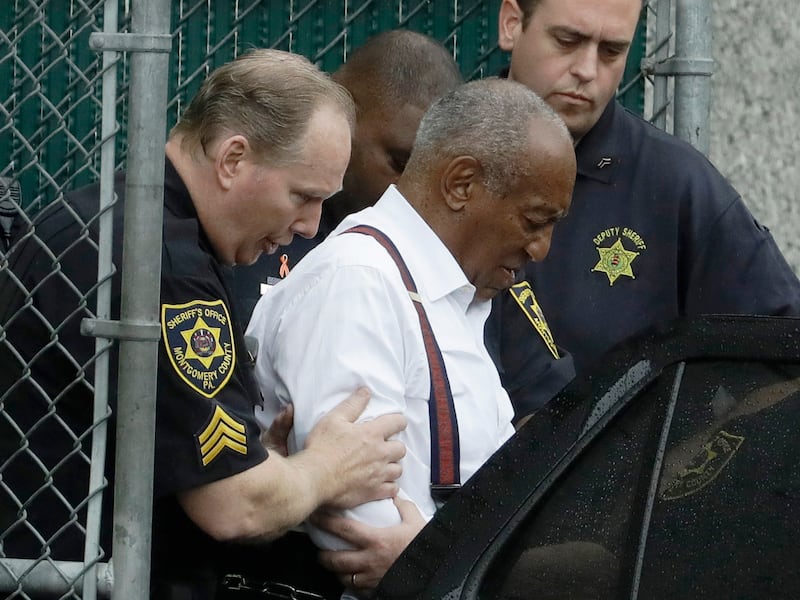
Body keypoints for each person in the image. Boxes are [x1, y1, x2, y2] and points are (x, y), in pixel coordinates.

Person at [0, 49, 407, 598]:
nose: (311, 226)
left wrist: (267, 467)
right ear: (233, 159)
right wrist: (329, 467)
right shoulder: (161, 263)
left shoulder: (109, 214)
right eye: (303, 196)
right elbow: (234, 505)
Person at [246, 78, 577, 597]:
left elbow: (486, 509)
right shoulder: (358, 283)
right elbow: (360, 533)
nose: (542, 249)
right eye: (535, 221)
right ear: (461, 184)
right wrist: (453, 563)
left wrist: (435, 555)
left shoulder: (449, 297)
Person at [490, 0, 800, 384]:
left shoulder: (676, 185)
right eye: (568, 40)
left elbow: (784, 348)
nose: (587, 70)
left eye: (612, 51)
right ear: (511, 24)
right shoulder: (433, 158)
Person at [231, 29, 464, 322]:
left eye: (429, 177)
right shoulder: (259, 224)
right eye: (399, 163)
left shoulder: (436, 257)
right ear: (345, 113)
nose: (409, 192)